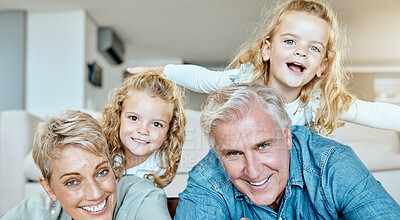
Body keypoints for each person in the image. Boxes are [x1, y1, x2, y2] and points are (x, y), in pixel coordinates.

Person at [173, 83, 400, 220]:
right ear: (218, 155)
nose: (253, 171)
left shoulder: (331, 162)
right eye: (233, 153)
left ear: (287, 136)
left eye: (263, 146)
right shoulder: (206, 178)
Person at [127, 0, 400, 134]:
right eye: (291, 41)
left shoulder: (318, 102)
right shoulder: (245, 81)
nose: (301, 51)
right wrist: (158, 69)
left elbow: (374, 113)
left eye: (314, 48)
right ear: (267, 49)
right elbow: (202, 78)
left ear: (322, 67)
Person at [0, 110, 181, 220]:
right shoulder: (33, 212)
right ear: (49, 188)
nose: (95, 193)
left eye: (102, 172)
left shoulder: (141, 196)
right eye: (73, 182)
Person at [101, 71, 186, 188]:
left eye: (156, 124)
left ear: (169, 131)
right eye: (134, 118)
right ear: (118, 116)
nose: (143, 130)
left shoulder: (160, 169)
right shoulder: (103, 144)